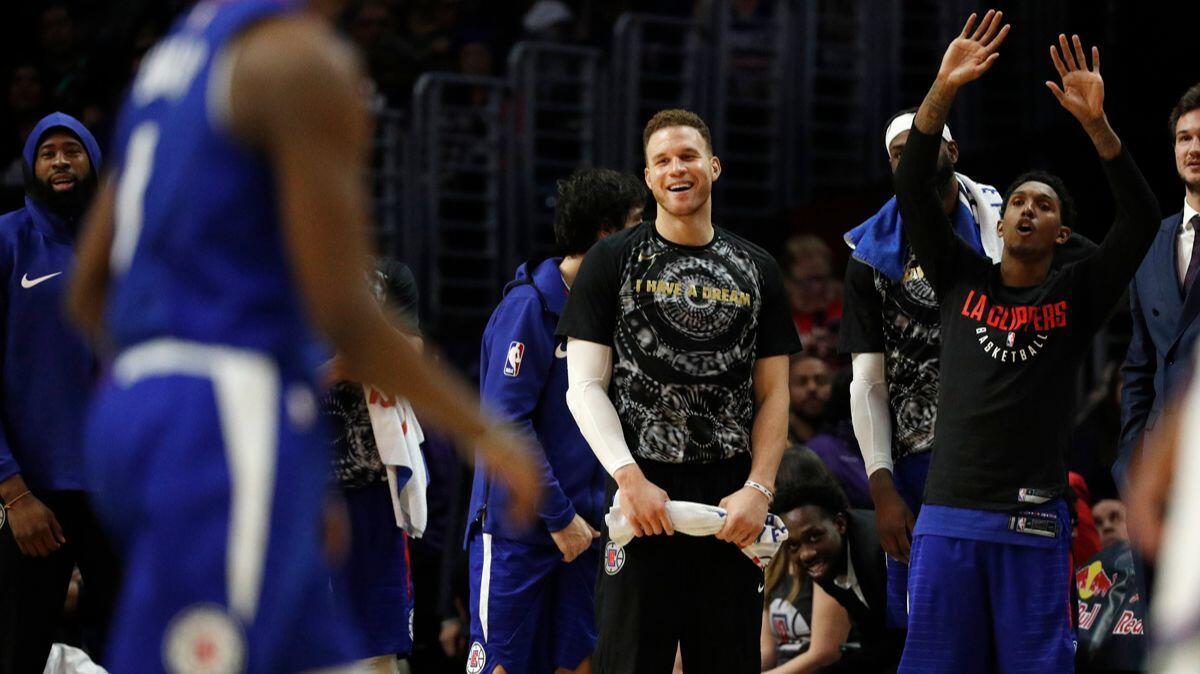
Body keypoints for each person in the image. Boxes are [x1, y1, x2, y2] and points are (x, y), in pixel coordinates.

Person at [65, 1, 538, 671]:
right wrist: (488, 434)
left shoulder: (174, 59)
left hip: (134, 410)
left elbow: (88, 288)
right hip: (221, 412)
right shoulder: (300, 60)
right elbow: (345, 310)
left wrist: (277, 462)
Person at [893, 12, 1160, 673]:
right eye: (1018, 202)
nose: (1028, 209)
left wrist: (1097, 127)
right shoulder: (958, 275)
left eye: (1043, 204)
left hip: (1034, 525)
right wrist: (943, 88)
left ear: (1063, 233)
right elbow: (912, 187)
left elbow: (1143, 219)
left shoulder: (1076, 295)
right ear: (1001, 219)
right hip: (949, 513)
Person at [558, 108, 801, 673]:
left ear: (713, 166)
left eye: (688, 156)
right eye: (662, 160)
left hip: (730, 500)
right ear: (648, 178)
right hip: (641, 492)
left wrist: (759, 490)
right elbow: (583, 387)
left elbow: (774, 396)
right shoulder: (611, 261)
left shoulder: (758, 267)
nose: (676, 169)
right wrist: (628, 477)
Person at [840, 101, 1096, 632]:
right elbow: (867, 382)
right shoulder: (869, 258)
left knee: (1025, 630)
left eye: (922, 144)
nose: (910, 157)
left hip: (1016, 456)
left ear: (953, 150)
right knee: (927, 629)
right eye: (897, 152)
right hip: (919, 461)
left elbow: (1094, 266)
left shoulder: (1015, 221)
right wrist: (881, 484)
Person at [465, 167, 645, 674]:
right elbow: (505, 424)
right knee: (500, 667)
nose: (649, 236)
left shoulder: (615, 310)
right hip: (520, 530)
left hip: (589, 528)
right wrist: (559, 515)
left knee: (580, 664)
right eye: (639, 223)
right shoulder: (528, 307)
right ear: (608, 233)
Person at [0, 112, 119, 672]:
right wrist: (13, 492)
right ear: (31, 168)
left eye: (72, 150)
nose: (61, 161)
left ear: (93, 163)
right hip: (34, 498)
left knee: (142, 651)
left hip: (120, 493)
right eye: (47, 153)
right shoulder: (7, 240)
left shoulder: (126, 248)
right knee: (18, 654)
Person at [322, 258, 424, 674]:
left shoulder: (389, 277)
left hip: (372, 490)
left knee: (380, 644)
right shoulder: (279, 271)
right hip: (301, 489)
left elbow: (412, 352)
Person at [1117, 82, 1200, 488]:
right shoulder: (1150, 242)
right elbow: (1139, 364)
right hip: (1158, 473)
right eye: (1184, 138)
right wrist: (1131, 459)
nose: (1193, 149)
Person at [775, 451, 903, 672]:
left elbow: (906, 633)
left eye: (814, 536)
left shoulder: (874, 551)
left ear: (839, 524)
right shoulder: (825, 562)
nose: (806, 553)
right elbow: (872, 639)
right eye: (794, 546)